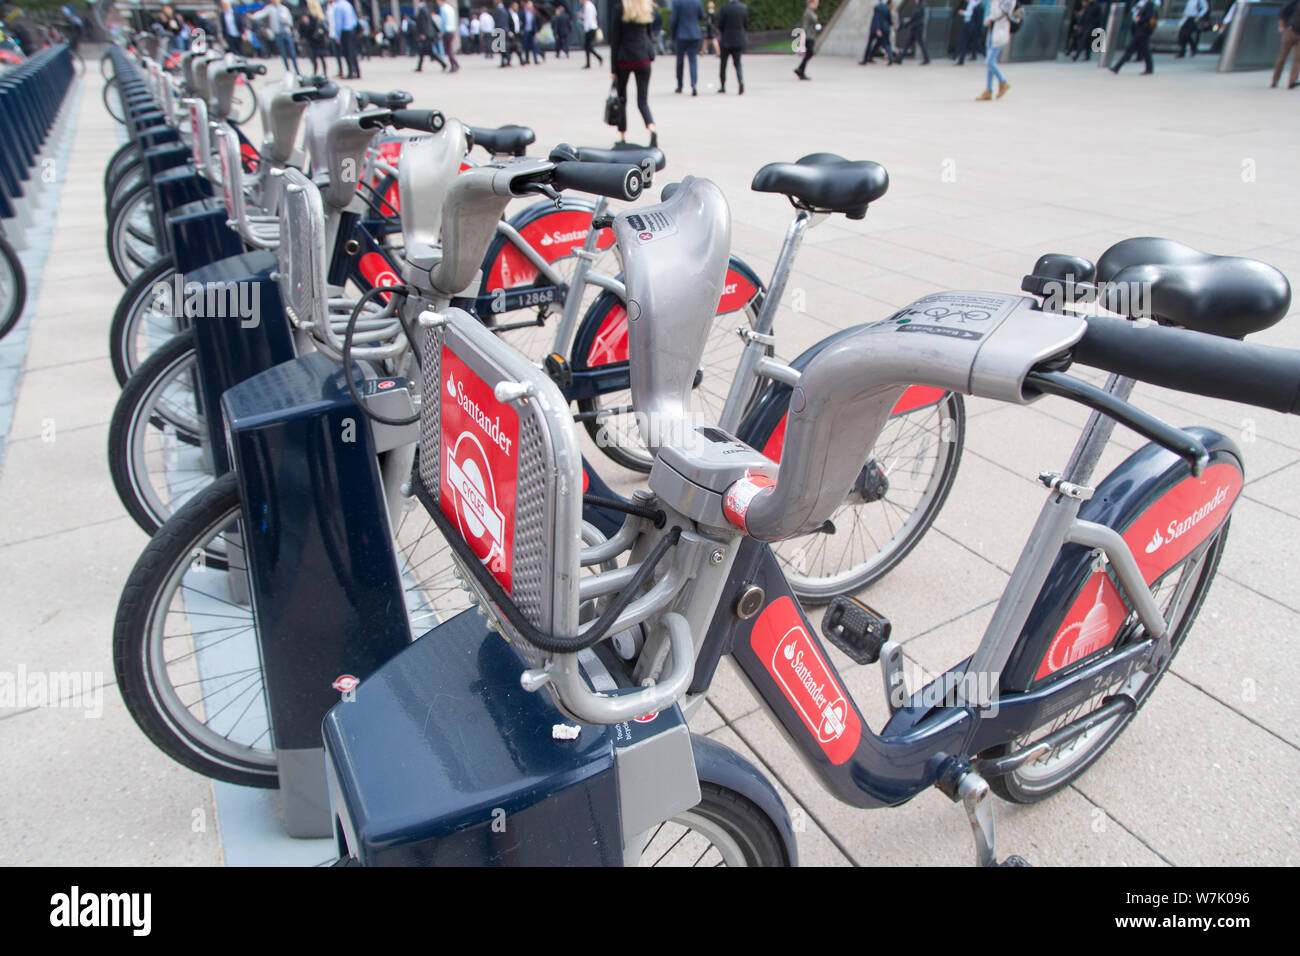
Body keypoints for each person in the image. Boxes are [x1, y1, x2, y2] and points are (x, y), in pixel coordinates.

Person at [609, 0, 658, 145]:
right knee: (642, 101)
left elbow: (615, 40)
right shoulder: (645, 7)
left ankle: (623, 136)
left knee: (622, 99)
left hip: (625, 59)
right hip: (643, 59)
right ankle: (652, 127)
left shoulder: (619, 8)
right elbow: (649, 35)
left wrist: (613, 69)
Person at [976, 0, 1013, 97]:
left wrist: (990, 16)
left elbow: (998, 13)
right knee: (990, 64)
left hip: (1000, 33)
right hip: (992, 32)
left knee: (989, 62)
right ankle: (988, 90)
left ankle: (1003, 82)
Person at [253, 0, 301, 73]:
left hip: (286, 33)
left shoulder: (284, 9)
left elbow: (290, 22)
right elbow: (261, 13)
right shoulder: (270, 8)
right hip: (278, 34)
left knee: (292, 53)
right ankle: (288, 71)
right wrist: (253, 16)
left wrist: (287, 21)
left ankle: (297, 71)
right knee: (283, 54)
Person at [1111, 0, 1157, 75]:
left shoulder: (1149, 4)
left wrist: (1139, 20)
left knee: (1131, 49)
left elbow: (1148, 16)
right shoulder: (1143, 4)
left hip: (1143, 32)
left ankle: (1117, 67)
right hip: (1140, 31)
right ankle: (1149, 69)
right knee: (1145, 51)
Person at [670, 0, 703, 94]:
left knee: (680, 61)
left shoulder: (677, 2)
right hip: (694, 34)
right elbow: (701, 16)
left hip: (681, 35)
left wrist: (672, 35)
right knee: (693, 60)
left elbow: (673, 20)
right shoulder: (697, 2)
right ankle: (693, 84)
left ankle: (680, 85)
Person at [716, 0, 747, 92]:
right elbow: (745, 24)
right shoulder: (743, 8)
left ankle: (723, 85)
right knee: (738, 63)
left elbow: (720, 25)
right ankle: (740, 80)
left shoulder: (725, 8)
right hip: (738, 39)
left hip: (726, 39)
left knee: (723, 64)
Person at [328, 0, 362, 78]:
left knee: (347, 53)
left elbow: (338, 23)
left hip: (344, 32)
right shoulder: (347, 4)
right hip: (352, 30)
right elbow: (354, 18)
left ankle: (350, 72)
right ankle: (357, 72)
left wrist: (337, 36)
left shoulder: (337, 7)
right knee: (353, 52)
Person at [1273, 0, 1300, 88]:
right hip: (1290, 31)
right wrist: (1281, 26)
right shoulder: (1295, 2)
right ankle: (1275, 80)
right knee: (1282, 57)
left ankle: (1292, 81)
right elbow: (1282, 13)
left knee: (1298, 58)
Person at [415, 1, 447, 69]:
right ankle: (419, 67)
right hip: (429, 33)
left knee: (429, 51)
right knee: (422, 51)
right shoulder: (426, 9)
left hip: (426, 34)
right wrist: (437, 30)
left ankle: (443, 64)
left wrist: (422, 33)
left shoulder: (422, 10)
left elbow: (423, 23)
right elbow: (431, 21)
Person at [301, 3, 331, 73]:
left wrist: (305, 23)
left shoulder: (310, 16)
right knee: (321, 58)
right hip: (319, 40)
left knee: (315, 59)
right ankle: (324, 73)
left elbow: (308, 29)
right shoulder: (320, 16)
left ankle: (316, 72)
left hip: (314, 40)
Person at [794, 0, 819, 79]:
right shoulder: (808, 12)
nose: (817, 4)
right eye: (816, 3)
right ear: (812, 3)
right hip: (808, 36)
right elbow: (805, 25)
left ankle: (800, 70)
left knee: (809, 53)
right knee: (810, 53)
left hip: (810, 35)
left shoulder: (810, 11)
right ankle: (800, 69)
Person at [954, 0, 983, 65]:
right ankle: (959, 58)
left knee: (964, 41)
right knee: (968, 42)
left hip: (970, 25)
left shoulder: (975, 4)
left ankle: (958, 58)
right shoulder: (976, 3)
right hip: (971, 24)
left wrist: (963, 12)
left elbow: (971, 13)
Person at [582, 0, 604, 67]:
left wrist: (586, 29)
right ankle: (594, 60)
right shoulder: (589, 6)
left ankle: (597, 58)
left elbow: (589, 19)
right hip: (591, 28)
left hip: (590, 28)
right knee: (588, 47)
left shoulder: (588, 6)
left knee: (588, 46)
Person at [441, 0, 461, 69]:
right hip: (452, 30)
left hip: (447, 31)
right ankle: (456, 64)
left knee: (448, 50)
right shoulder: (450, 8)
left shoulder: (443, 9)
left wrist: (442, 32)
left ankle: (453, 66)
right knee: (449, 49)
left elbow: (444, 22)